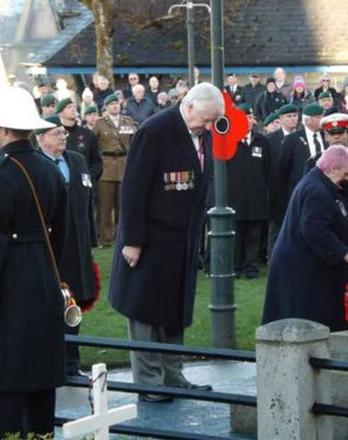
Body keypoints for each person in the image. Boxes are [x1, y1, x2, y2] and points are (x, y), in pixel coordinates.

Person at [108, 82, 224, 402]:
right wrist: (132, 241)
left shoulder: (203, 133)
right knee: (145, 311)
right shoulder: (154, 131)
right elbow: (133, 190)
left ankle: (173, 376)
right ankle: (149, 383)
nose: (210, 126)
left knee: (174, 309)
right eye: (207, 119)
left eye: (214, 120)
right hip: (150, 240)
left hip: (181, 241)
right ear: (189, 107)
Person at [0, 87, 68, 437]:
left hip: (9, 278)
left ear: (4, 130)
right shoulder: (50, 168)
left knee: (9, 370)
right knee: (41, 368)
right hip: (44, 273)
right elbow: (63, 232)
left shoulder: (4, 171)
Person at [35, 115, 98, 376]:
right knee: (49, 306)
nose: (63, 136)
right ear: (39, 138)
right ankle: (50, 361)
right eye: (55, 133)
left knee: (74, 303)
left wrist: (90, 239)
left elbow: (87, 200)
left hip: (78, 245)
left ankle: (71, 362)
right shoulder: (36, 166)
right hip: (50, 248)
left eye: (63, 132)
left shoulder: (77, 160)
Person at [262, 145, 348, 331]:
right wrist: (343, 253)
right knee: (303, 319)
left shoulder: (320, 182)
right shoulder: (317, 190)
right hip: (301, 265)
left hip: (305, 262)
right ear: (333, 168)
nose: (346, 178)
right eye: (345, 173)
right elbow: (314, 230)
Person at [226, 103, 270, 279]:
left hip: (256, 198)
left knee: (254, 234)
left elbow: (267, 170)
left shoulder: (262, 141)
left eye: (250, 117)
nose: (248, 121)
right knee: (235, 235)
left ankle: (251, 267)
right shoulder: (228, 141)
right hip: (234, 197)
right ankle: (235, 267)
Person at [93, 94, 136, 247]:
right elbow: (93, 145)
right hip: (106, 167)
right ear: (106, 107)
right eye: (111, 104)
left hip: (124, 166)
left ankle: (121, 235)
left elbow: (135, 142)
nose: (114, 106)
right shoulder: (99, 124)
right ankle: (105, 237)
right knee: (105, 206)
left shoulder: (128, 122)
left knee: (122, 204)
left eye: (116, 103)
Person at [267, 104, 299, 258]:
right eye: (289, 116)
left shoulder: (301, 137)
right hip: (277, 190)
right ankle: (273, 258)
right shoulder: (271, 139)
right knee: (276, 228)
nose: (293, 119)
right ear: (280, 119)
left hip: (296, 188)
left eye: (295, 115)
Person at [278, 103, 326, 204]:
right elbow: (283, 168)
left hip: (325, 189)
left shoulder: (327, 136)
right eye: (318, 117)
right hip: (301, 191)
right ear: (308, 120)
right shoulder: (292, 140)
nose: (323, 120)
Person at [56, 97, 103, 188]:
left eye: (74, 106)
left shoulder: (87, 134)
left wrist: (90, 177)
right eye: (69, 107)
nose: (73, 109)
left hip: (84, 184)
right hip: (61, 183)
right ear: (60, 112)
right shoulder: (54, 134)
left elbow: (96, 161)